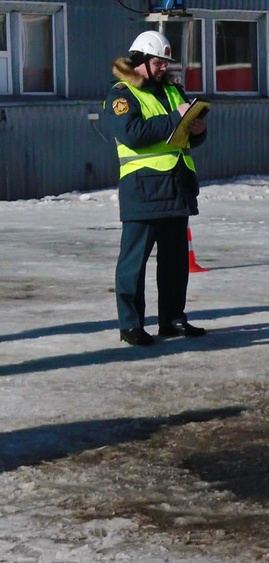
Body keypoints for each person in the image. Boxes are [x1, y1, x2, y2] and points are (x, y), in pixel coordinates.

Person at [104, 30, 208, 347]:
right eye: (158, 62)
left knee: (175, 262)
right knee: (133, 263)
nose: (164, 68)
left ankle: (173, 319)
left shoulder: (173, 92)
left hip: (176, 187)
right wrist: (174, 120)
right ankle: (131, 325)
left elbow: (184, 134)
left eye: (165, 62)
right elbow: (133, 134)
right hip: (143, 189)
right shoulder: (121, 95)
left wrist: (197, 129)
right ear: (141, 61)